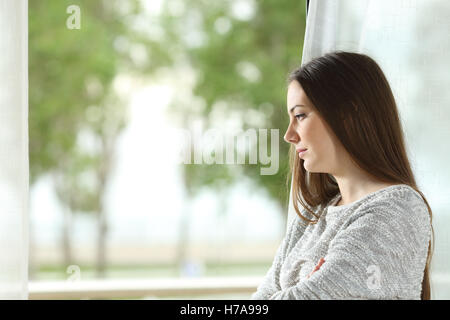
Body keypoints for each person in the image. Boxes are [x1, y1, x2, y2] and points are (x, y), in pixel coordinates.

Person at [250, 51, 434, 300]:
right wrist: (309, 286)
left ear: (348, 113)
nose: (289, 135)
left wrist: (306, 289)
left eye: (300, 116)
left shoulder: (398, 209)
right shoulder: (312, 218)